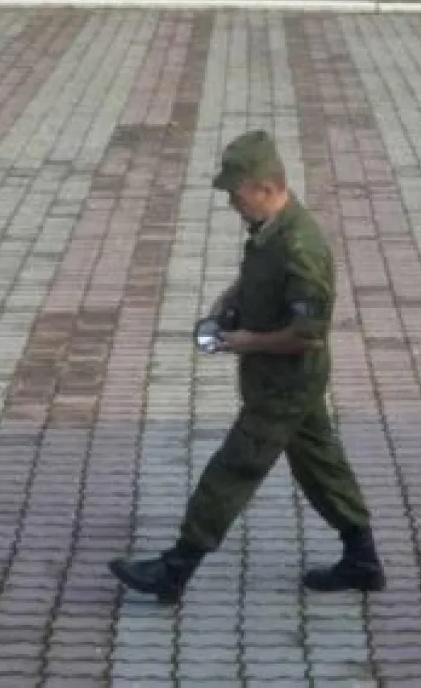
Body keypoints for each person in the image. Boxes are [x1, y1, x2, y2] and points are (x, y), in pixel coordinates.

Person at [108, 129, 385, 603]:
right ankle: (361, 560)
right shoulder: (270, 232)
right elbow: (259, 278)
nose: (232, 204)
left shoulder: (301, 247)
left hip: (286, 384)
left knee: (233, 469)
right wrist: (230, 300)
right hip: (278, 380)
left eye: (237, 195)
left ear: (265, 186)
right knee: (321, 464)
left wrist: (247, 341)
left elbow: (307, 335)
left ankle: (174, 570)